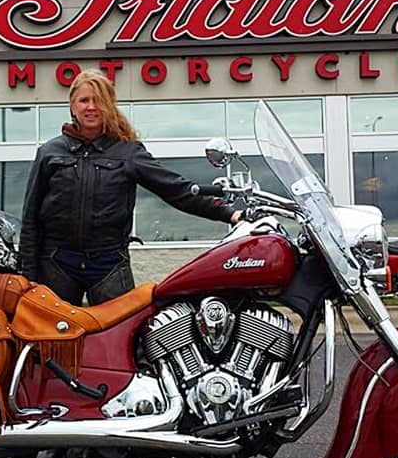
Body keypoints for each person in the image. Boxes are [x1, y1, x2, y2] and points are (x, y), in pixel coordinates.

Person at [19, 69, 241, 306]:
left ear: (110, 106)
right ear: (72, 106)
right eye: (84, 100)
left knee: (122, 336)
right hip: (56, 263)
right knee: (52, 338)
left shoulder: (128, 152)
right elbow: (30, 218)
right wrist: (27, 276)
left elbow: (176, 189)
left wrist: (230, 214)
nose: (91, 107)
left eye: (99, 101)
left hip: (109, 264)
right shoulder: (50, 153)